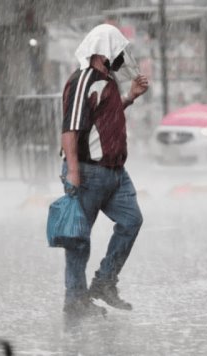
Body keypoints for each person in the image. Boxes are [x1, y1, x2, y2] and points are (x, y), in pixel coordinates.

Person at [59, 24, 149, 318]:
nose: (123, 57)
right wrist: (73, 172)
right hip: (88, 172)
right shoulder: (83, 80)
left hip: (114, 172)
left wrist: (130, 98)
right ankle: (75, 302)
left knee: (131, 221)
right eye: (119, 51)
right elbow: (70, 130)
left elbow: (105, 121)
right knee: (79, 240)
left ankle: (104, 281)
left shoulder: (107, 82)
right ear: (104, 51)